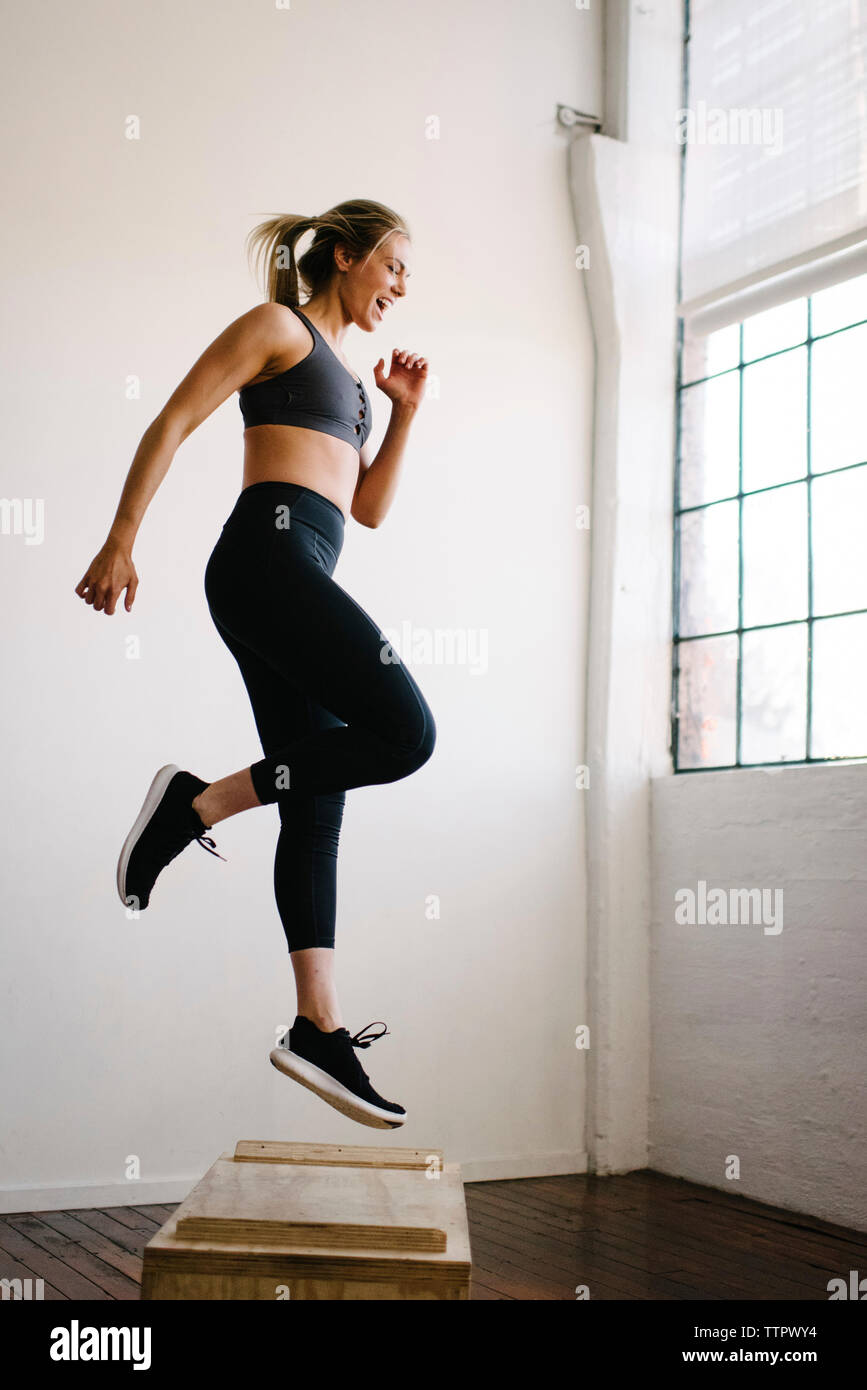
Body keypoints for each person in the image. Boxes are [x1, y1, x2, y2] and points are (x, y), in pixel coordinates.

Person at [74, 199, 436, 1130]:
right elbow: (173, 418)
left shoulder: (354, 385)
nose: (402, 287)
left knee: (318, 807)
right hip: (263, 565)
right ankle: (194, 804)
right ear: (347, 257)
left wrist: (400, 417)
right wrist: (122, 539)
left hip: (298, 569)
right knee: (406, 733)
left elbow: (369, 513)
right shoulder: (278, 328)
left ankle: (317, 1027)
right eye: (394, 266)